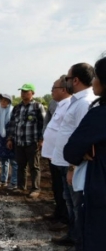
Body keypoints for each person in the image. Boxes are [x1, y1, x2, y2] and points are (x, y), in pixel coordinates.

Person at [51, 63, 96, 250]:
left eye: (67, 79)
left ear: (75, 80)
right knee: (70, 202)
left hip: (73, 166)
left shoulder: (85, 103)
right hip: (65, 162)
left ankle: (79, 240)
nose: (65, 81)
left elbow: (84, 140)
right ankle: (73, 234)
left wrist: (72, 168)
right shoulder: (77, 101)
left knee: (77, 205)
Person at [63, 55, 106, 251]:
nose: (93, 81)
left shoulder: (99, 113)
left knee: (93, 237)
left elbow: (71, 151)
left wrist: (82, 151)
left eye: (96, 76)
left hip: (99, 189)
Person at [41, 76, 71, 232]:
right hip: (53, 154)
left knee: (64, 189)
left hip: (62, 156)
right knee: (57, 186)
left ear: (64, 90)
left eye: (54, 88)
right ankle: (58, 212)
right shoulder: (58, 104)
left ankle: (65, 219)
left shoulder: (70, 105)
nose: (51, 91)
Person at [6, 83, 46, 198]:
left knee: (34, 166)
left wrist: (41, 139)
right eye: (22, 91)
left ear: (32, 93)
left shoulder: (38, 106)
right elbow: (12, 124)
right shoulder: (17, 108)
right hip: (19, 142)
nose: (23, 93)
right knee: (20, 165)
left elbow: (43, 124)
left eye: (26, 91)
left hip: (32, 142)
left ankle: (35, 188)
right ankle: (21, 186)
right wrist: (10, 139)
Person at [0, 93, 17, 189]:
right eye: (1, 100)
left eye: (5, 100)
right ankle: (3, 180)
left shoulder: (12, 111)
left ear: (9, 102)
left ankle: (14, 182)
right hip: (1, 138)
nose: (3, 102)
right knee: (3, 160)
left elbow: (14, 126)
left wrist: (10, 138)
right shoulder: (0, 111)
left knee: (14, 161)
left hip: (11, 138)